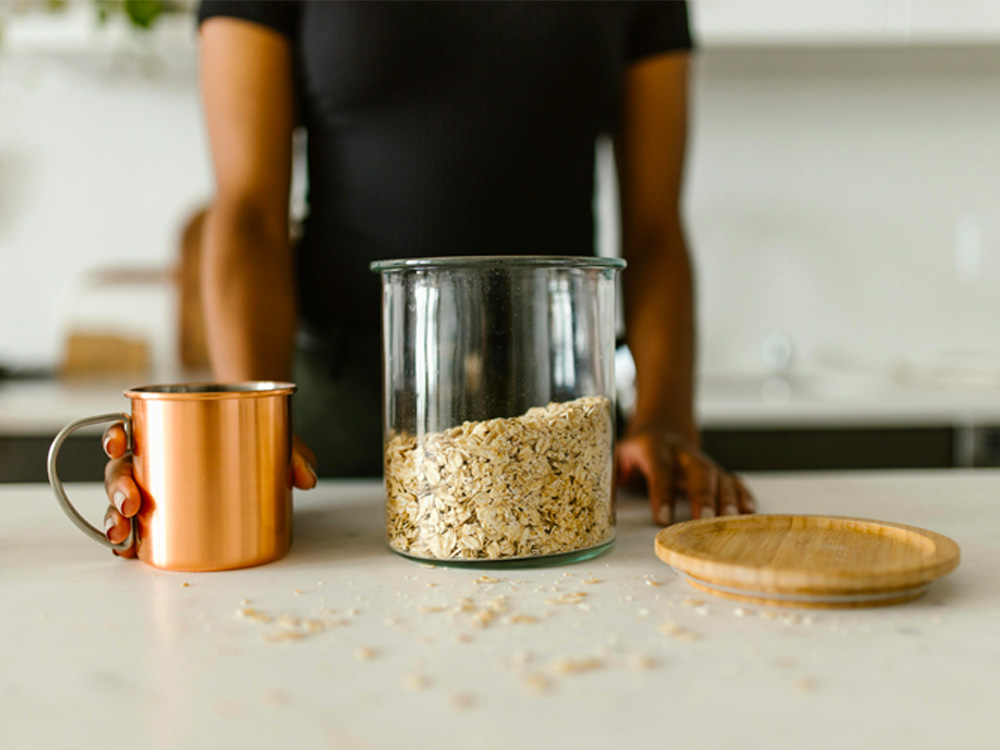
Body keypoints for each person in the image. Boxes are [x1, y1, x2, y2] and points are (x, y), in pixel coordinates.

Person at [102, 1, 754, 558]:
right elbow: (248, 213)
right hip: (339, 410)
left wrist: (666, 420)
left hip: (558, 421)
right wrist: (245, 430)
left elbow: (655, 230)